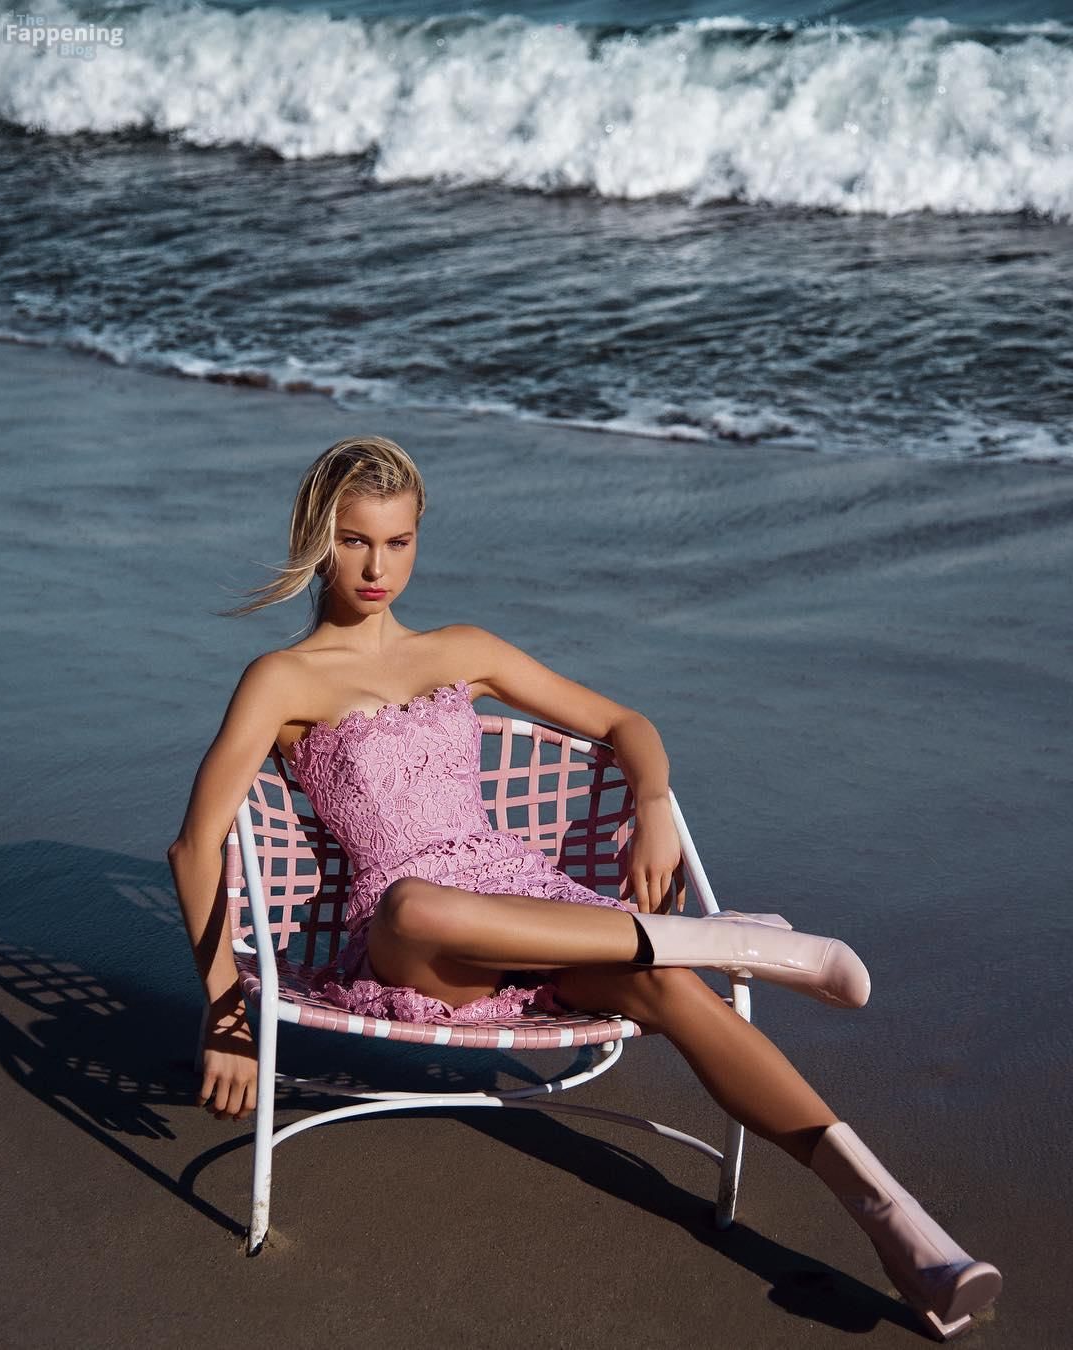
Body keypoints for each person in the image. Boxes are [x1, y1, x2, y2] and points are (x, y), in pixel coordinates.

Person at [167, 435, 1002, 1341]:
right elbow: (195, 848)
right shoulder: (283, 678)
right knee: (414, 902)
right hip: (415, 941)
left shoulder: (462, 648)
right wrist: (228, 1015)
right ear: (317, 537)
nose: (378, 568)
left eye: (398, 542)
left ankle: (900, 1226)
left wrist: (653, 803)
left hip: (530, 903)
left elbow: (623, 723)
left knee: (670, 992)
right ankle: (729, 939)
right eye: (356, 541)